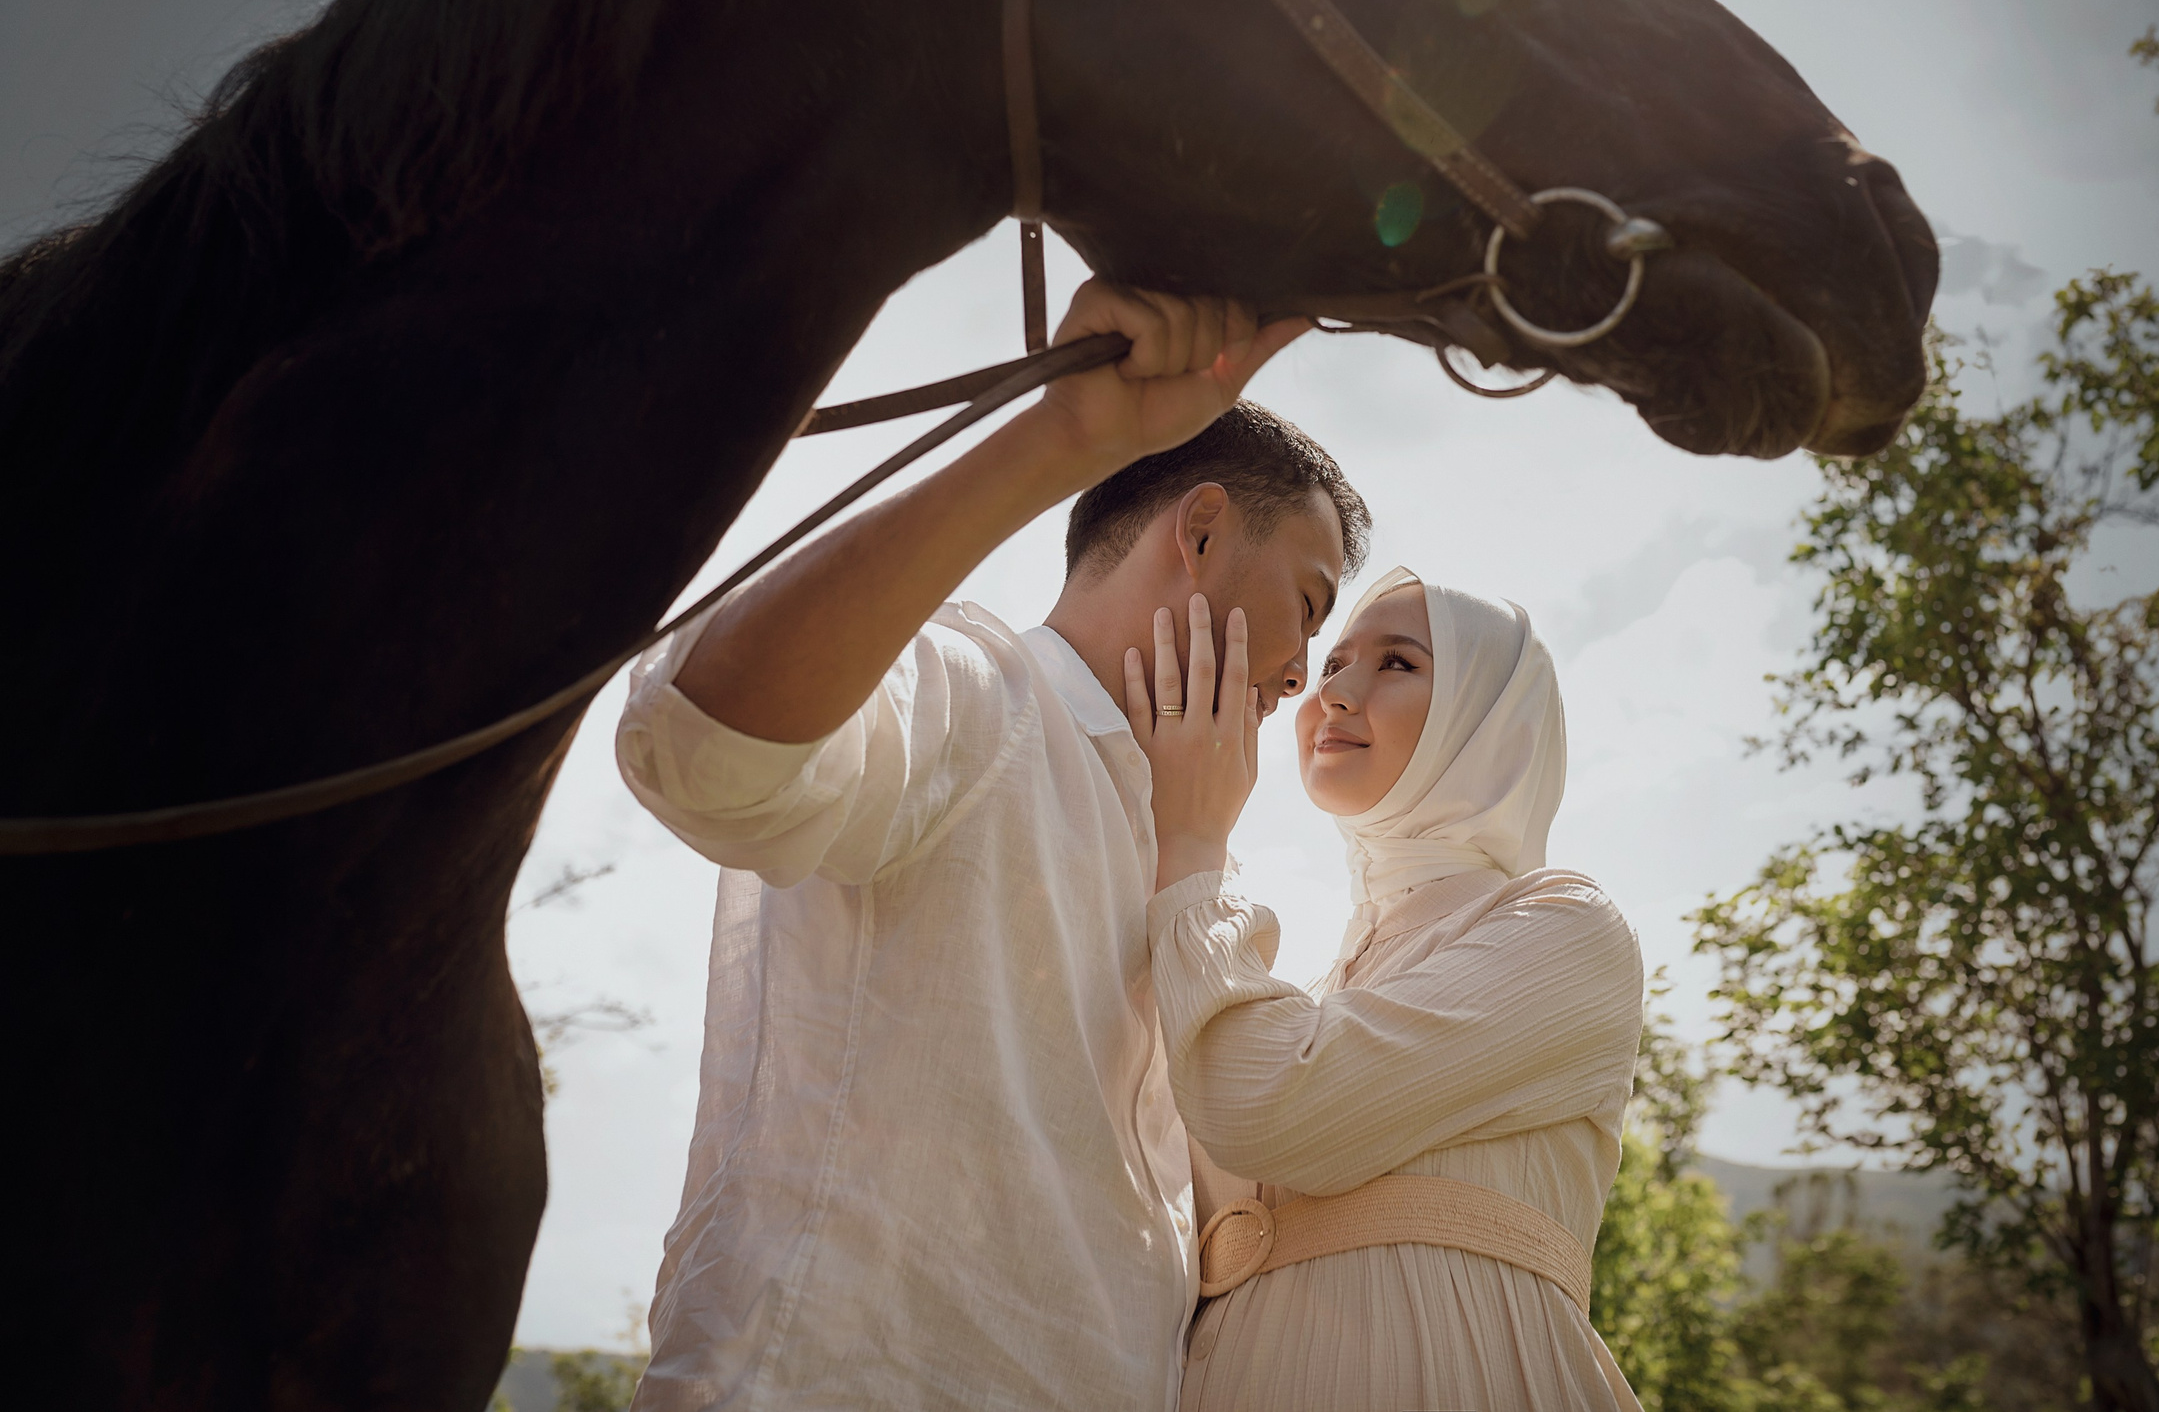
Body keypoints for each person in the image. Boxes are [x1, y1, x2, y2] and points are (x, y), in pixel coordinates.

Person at [613, 281, 1368, 1411]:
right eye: (1307, 605)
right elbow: (700, 748)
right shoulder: (980, 699)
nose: (1305, 671)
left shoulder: (1195, 862)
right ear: (1201, 528)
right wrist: (1059, 436)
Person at [1129, 566, 1646, 1412]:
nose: (1335, 693)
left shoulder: (1568, 927)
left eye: (1398, 663)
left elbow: (1272, 1106)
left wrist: (1193, 843)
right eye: (1332, 664)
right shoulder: (1301, 993)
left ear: (1489, 716)